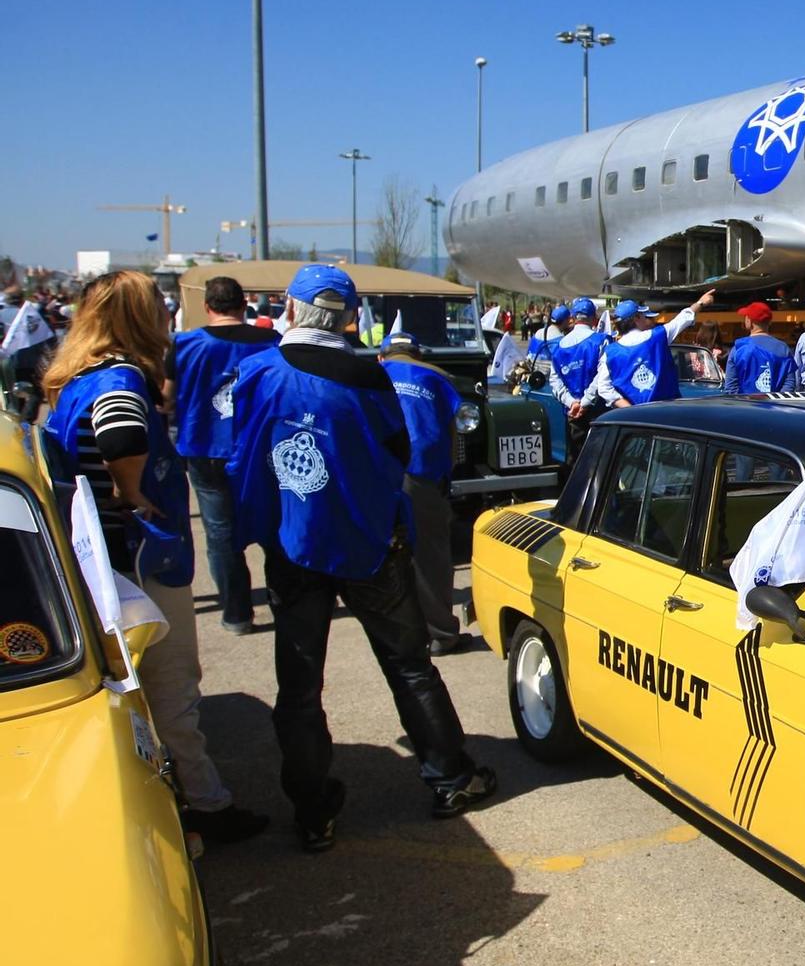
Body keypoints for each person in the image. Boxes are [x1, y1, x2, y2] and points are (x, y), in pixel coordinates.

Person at [228, 264, 497, 851]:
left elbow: (240, 455)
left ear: (292, 310)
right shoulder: (371, 379)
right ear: (350, 318)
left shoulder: (257, 373)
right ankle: (451, 778)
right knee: (408, 664)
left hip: (293, 544)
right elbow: (400, 451)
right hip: (367, 543)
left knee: (299, 684)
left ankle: (312, 809)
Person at [43, 270, 268, 846]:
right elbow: (121, 435)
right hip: (139, 561)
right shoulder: (120, 378)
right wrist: (132, 492)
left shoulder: (76, 378)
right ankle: (205, 804)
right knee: (173, 690)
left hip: (102, 561)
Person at [172, 274, 280, 634]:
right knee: (273, 528)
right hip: (258, 447)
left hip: (205, 446)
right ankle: (287, 605)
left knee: (220, 535)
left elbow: (167, 397)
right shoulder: (272, 342)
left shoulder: (185, 344)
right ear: (243, 305)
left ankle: (237, 614)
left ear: (207, 307)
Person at [378, 331, 465, 656]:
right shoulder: (437, 378)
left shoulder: (372, 374)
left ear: (383, 355)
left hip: (377, 472)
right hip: (422, 473)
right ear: (417, 354)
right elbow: (451, 433)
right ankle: (441, 633)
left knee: (380, 552)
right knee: (430, 555)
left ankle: (395, 632)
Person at [589, 289, 712, 407]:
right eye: (643, 315)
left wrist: (629, 409)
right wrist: (701, 302)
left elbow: (604, 388)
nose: (646, 318)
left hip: (631, 419)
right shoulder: (658, 336)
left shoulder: (610, 352)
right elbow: (683, 318)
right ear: (636, 318)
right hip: (664, 412)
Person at [549, 297, 610, 446]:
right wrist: (585, 402)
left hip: (572, 414)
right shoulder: (602, 340)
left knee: (576, 460)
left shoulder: (559, 346)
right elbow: (603, 376)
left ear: (573, 318)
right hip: (598, 412)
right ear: (593, 318)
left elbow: (554, 381)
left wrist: (571, 403)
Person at [725, 301, 799, 394]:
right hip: (775, 406)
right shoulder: (783, 348)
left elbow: (730, 387)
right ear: (770, 322)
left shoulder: (738, 348)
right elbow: (790, 383)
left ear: (749, 321)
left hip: (745, 406)